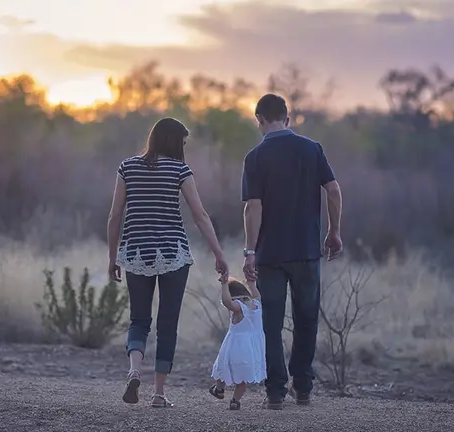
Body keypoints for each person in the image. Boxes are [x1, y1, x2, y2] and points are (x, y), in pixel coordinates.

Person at [107, 117, 229, 408]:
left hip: (136, 252)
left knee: (138, 319)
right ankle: (159, 394)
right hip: (173, 253)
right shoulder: (180, 170)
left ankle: (134, 370)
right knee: (167, 323)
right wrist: (219, 254)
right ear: (174, 142)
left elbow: (114, 216)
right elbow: (200, 216)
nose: (184, 148)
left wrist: (113, 257)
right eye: (183, 142)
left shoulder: (127, 167)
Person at [240, 94, 343, 410]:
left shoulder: (255, 157)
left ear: (259, 119)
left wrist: (249, 251)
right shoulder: (311, 149)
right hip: (307, 251)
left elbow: (252, 208)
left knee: (270, 322)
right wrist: (334, 231)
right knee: (307, 319)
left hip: (270, 254)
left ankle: (275, 392)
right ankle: (303, 387)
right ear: (288, 117)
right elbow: (334, 190)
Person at [208, 278, 266, 410]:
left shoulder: (239, 307)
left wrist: (224, 285)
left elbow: (227, 302)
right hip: (251, 349)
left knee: (222, 367)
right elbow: (257, 294)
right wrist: (251, 284)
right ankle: (235, 400)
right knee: (242, 380)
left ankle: (219, 389)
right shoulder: (257, 303)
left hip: (235, 347)